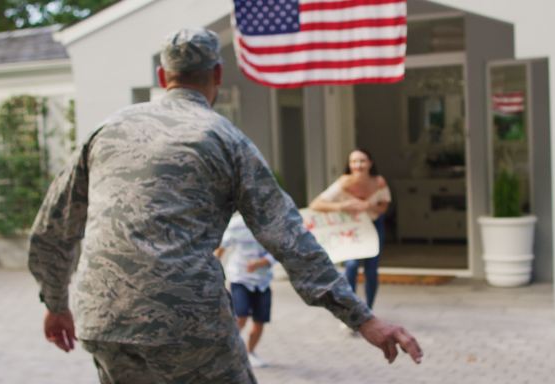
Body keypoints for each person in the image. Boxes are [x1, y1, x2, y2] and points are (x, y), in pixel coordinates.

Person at [28, 27, 422, 384]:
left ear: (163, 78)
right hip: (186, 322)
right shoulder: (224, 139)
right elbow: (288, 237)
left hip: (102, 318)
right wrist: (363, 318)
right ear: (218, 75)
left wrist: (56, 303)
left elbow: (51, 227)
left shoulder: (108, 129)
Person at [310, 149, 390, 309]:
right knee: (351, 266)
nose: (358, 165)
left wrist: (369, 206)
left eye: (362, 161)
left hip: (373, 226)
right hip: (352, 229)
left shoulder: (379, 181)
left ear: (370, 163)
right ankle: (351, 308)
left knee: (371, 270)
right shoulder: (344, 182)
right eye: (354, 161)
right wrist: (342, 206)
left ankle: (369, 308)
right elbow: (316, 204)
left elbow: (384, 206)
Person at [214, 213, 275, 368]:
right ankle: (226, 351)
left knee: (260, 321)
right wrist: (213, 269)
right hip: (240, 277)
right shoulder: (236, 224)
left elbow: (280, 249)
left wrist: (262, 262)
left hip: (263, 281)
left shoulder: (272, 222)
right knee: (240, 316)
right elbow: (221, 247)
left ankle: (250, 353)